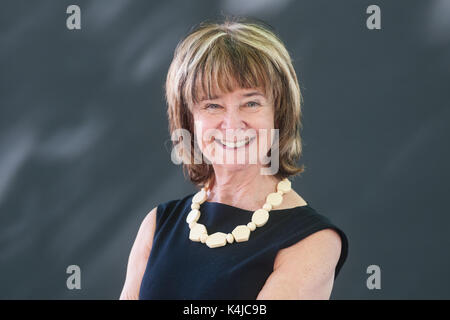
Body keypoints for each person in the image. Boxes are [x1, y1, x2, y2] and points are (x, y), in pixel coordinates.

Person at [120, 17, 348, 300]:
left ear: (279, 113)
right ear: (189, 120)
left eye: (251, 103)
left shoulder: (313, 240)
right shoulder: (157, 224)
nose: (232, 124)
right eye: (212, 105)